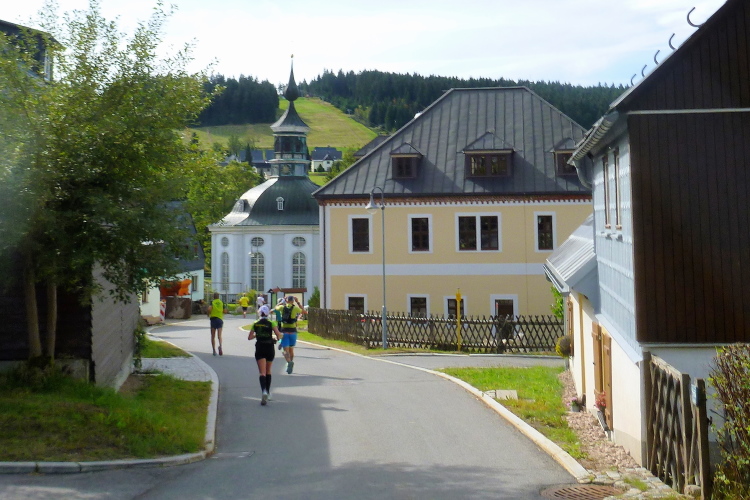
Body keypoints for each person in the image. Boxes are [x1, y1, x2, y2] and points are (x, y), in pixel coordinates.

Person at [248, 305, 282, 405]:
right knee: (268, 371)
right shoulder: (271, 323)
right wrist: (276, 338)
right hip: (270, 348)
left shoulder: (255, 323)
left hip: (260, 347)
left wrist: (257, 335)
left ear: (259, 313)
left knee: (262, 373)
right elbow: (279, 335)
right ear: (267, 313)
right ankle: (268, 392)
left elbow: (249, 337)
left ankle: (263, 391)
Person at [275, 295, 307, 374]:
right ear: (293, 301)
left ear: (286, 301)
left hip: (284, 331)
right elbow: (304, 311)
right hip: (293, 332)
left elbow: (275, 308)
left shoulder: (282, 307)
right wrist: (298, 302)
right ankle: (290, 363)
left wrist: (282, 302)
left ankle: (289, 362)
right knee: (291, 350)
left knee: (285, 351)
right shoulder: (295, 308)